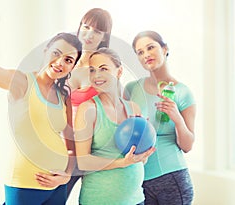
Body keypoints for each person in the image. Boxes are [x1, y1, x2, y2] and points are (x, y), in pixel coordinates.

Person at [0, 12, 82, 205]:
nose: (60, 62)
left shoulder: (64, 96)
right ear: (46, 51)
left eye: (69, 60)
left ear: (72, 67)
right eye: (57, 53)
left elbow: (72, 146)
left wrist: (67, 175)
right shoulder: (23, 82)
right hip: (25, 183)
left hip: (58, 185)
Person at [74, 48, 155, 205]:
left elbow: (138, 160)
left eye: (103, 69)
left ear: (119, 72)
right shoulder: (88, 109)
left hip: (137, 199)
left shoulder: (134, 108)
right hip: (100, 200)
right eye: (92, 70)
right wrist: (121, 163)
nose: (96, 75)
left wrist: (144, 150)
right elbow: (83, 162)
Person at [124, 30, 196, 205]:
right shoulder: (131, 89)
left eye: (150, 47)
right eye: (140, 52)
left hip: (173, 179)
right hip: (139, 181)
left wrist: (177, 118)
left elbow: (187, 146)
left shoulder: (183, 92)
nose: (146, 54)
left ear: (165, 49)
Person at [66, 7, 113, 196]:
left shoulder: (104, 67)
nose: (89, 34)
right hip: (61, 145)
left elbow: (115, 104)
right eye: (86, 27)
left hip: (90, 149)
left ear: (104, 36)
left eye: (97, 31)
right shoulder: (66, 60)